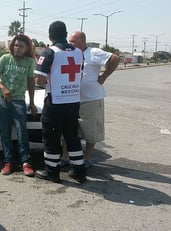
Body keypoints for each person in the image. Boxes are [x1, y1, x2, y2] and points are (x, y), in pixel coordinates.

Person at [34, 21, 86, 183]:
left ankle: (52, 172)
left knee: (51, 138)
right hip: (73, 102)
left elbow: (40, 81)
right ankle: (79, 171)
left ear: (50, 36)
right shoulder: (79, 52)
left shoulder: (49, 52)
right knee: (72, 137)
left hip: (55, 102)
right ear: (65, 34)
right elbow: (79, 74)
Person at [64, 31, 120, 168]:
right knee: (68, 130)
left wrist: (104, 76)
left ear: (82, 41)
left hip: (91, 100)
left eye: (73, 41)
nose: (70, 43)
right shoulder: (70, 53)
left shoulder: (93, 52)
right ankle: (65, 157)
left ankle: (87, 158)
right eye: (69, 41)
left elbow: (115, 58)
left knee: (91, 131)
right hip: (72, 99)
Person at [0, 34, 37, 177]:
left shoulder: (29, 61)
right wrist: (3, 88)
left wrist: (32, 102)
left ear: (27, 48)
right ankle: (8, 161)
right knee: (4, 132)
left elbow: (31, 82)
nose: (17, 48)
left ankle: (25, 162)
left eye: (21, 46)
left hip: (19, 101)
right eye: (15, 45)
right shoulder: (5, 58)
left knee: (21, 131)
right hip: (2, 101)